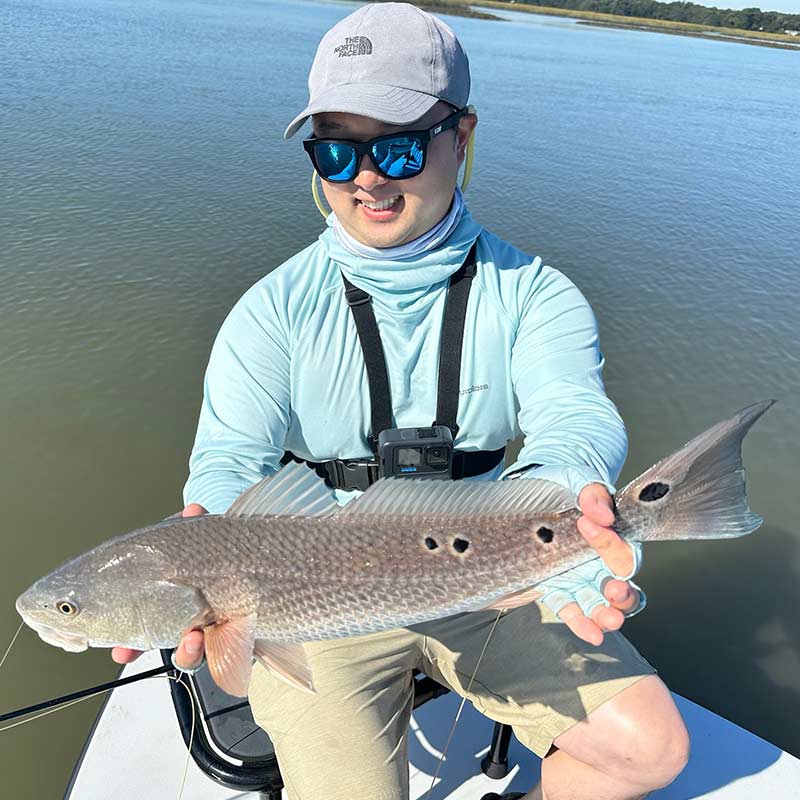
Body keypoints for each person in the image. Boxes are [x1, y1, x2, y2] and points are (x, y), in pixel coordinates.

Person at [114, 4, 689, 798]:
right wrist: (206, 560)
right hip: (303, 597)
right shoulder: (271, 310)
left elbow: (573, 416)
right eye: (337, 151)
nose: (368, 177)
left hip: (493, 575)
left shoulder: (536, 295)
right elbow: (228, 461)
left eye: (399, 145)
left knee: (649, 749)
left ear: (464, 137)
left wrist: (574, 517)